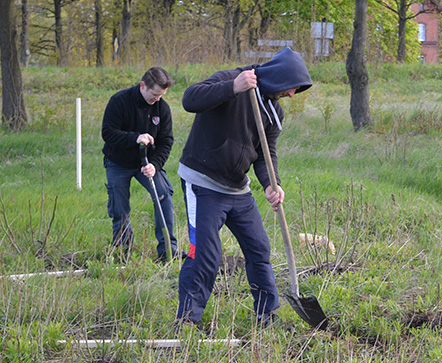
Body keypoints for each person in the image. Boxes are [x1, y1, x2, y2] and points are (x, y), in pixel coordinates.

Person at [175, 47, 312, 330]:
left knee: (259, 248)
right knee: (205, 253)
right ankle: (188, 320)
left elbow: (265, 152)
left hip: (238, 189)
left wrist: (271, 184)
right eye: (290, 88)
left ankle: (267, 315)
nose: (290, 94)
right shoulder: (232, 79)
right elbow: (189, 99)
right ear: (278, 77)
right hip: (203, 182)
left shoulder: (274, 110)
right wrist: (232, 88)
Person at [101, 66, 182, 262]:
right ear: (143, 86)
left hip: (147, 164)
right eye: (154, 94)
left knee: (164, 196)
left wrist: (155, 164)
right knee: (120, 208)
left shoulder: (162, 108)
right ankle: (123, 252)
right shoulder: (119, 101)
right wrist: (135, 138)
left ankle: (167, 252)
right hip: (118, 163)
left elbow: (166, 141)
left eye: (161, 95)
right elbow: (108, 133)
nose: (158, 99)